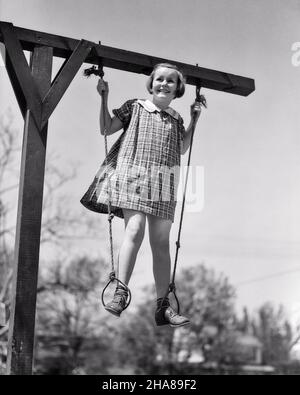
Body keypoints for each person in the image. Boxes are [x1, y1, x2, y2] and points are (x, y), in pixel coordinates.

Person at [80, 63, 202, 327]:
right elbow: (106, 128)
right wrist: (103, 97)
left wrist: (194, 120)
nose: (164, 84)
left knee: (161, 243)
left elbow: (182, 148)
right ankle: (120, 292)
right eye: (160, 79)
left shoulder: (177, 119)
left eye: (171, 81)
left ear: (178, 88)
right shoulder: (134, 107)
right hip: (133, 176)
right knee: (134, 230)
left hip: (163, 183)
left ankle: (163, 307)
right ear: (151, 82)